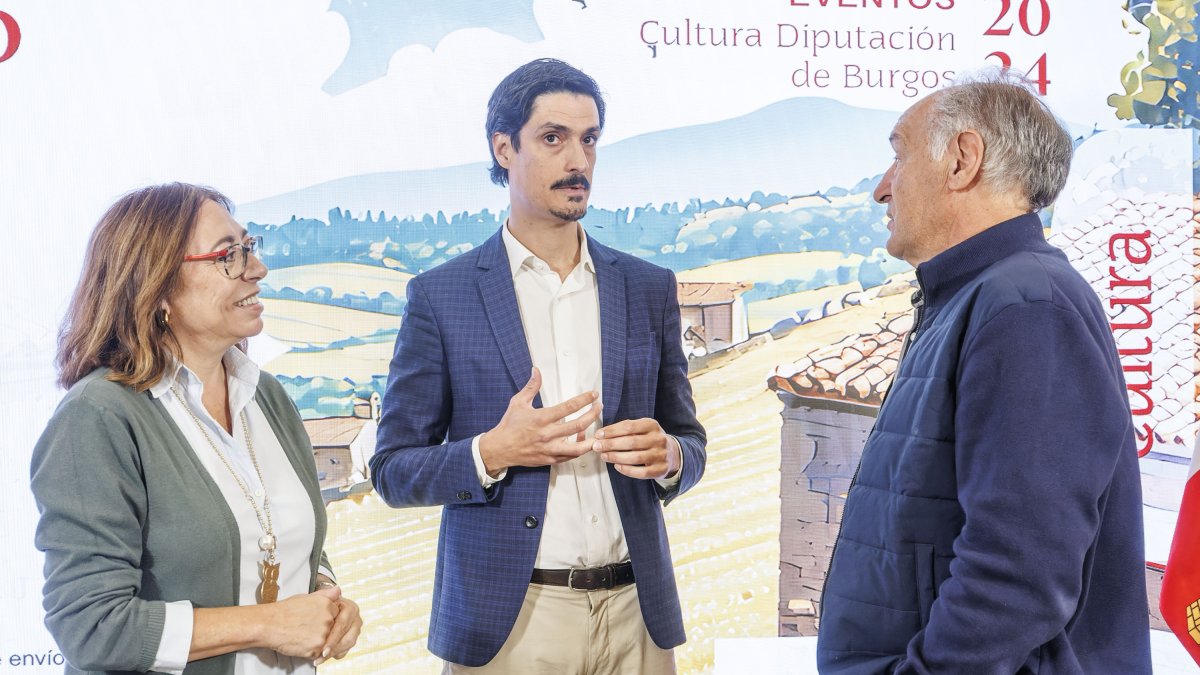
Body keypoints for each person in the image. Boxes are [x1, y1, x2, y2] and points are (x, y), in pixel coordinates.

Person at [370, 58, 706, 674]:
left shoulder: (647, 287)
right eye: (554, 138)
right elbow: (392, 471)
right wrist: (492, 452)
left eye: (589, 139)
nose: (578, 160)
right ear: (504, 148)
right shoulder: (442, 297)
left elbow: (689, 441)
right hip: (511, 623)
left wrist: (671, 458)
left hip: (639, 617)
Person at [815, 73, 1152, 673]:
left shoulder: (1026, 306)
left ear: (962, 160)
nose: (881, 188)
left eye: (899, 156)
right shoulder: (985, 298)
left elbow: (1018, 574)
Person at [31, 183, 362, 675]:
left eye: (249, 247)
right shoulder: (98, 416)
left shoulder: (266, 395)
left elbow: (276, 534)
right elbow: (91, 627)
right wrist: (268, 624)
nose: (257, 268)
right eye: (228, 256)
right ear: (158, 286)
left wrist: (325, 596)